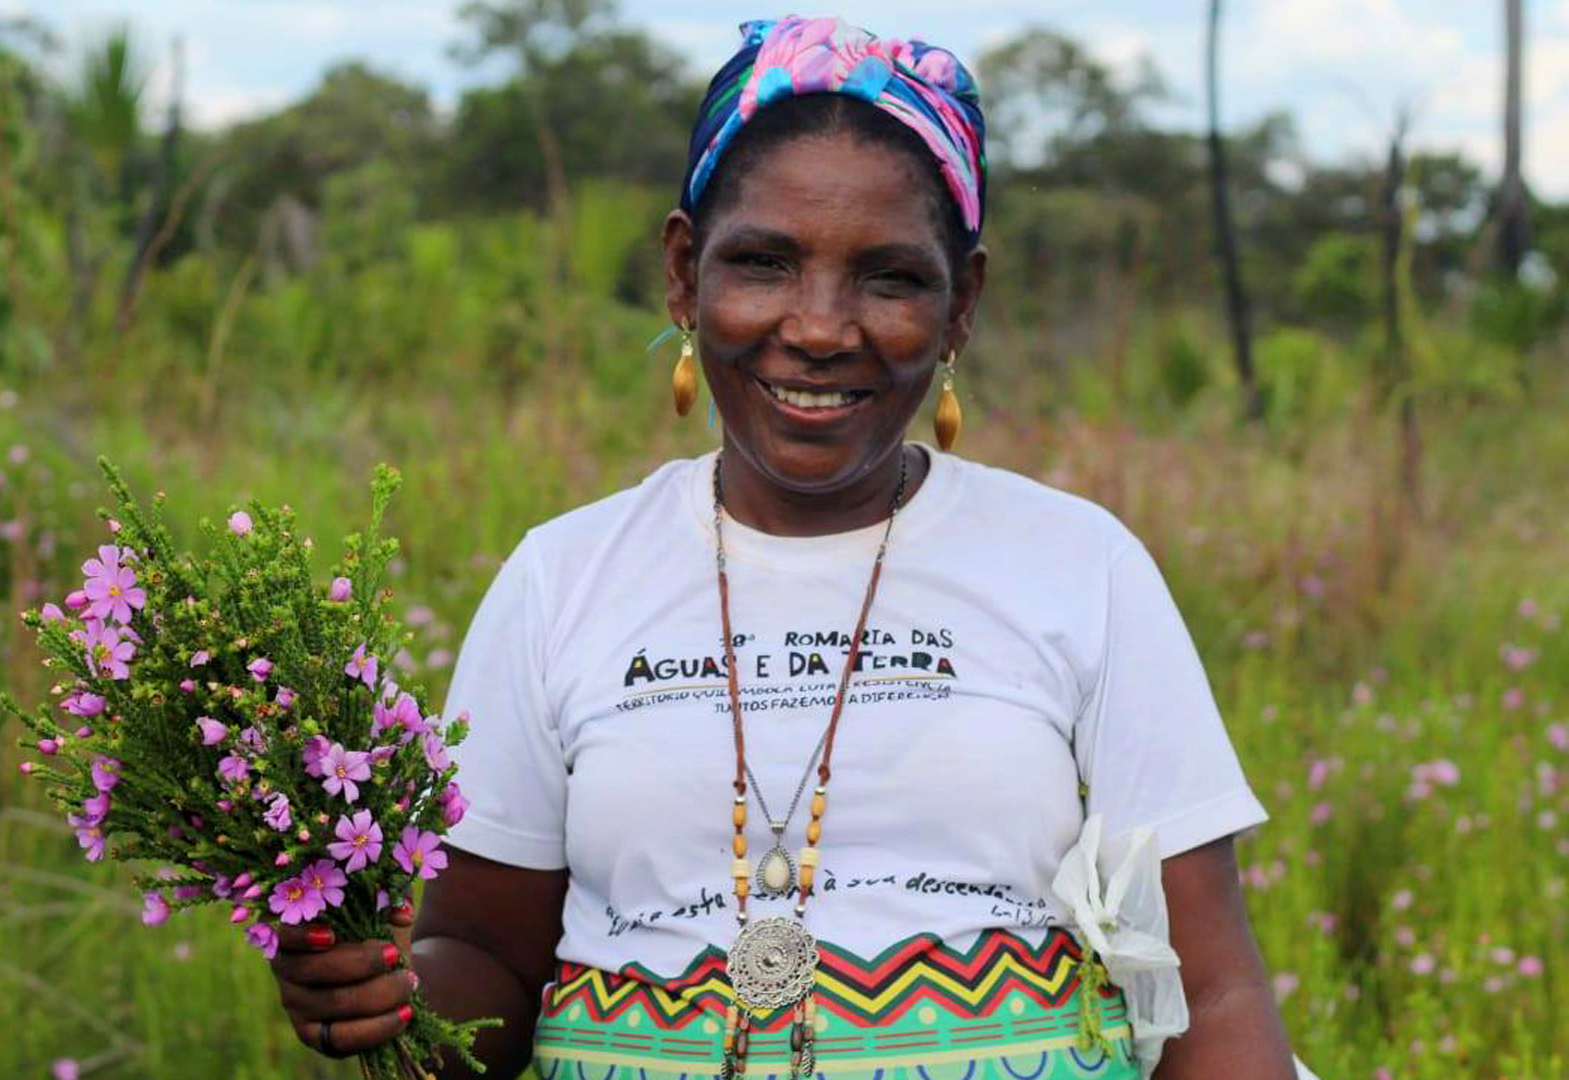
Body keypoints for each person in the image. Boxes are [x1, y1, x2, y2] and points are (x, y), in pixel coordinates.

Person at [272, 16, 1304, 1080]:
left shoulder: (1079, 568)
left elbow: (1209, 984)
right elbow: (487, 960)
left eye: (891, 279)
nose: (818, 328)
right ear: (684, 275)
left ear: (963, 308)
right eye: (764, 263)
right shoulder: (561, 580)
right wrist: (387, 995)